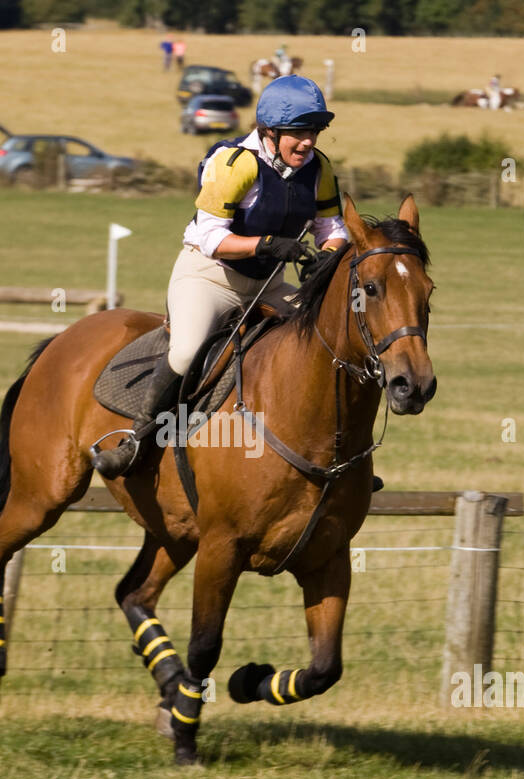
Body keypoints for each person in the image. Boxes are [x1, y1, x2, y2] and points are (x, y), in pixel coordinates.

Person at [92, 75, 349, 479]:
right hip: (209, 276)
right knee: (186, 350)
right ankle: (137, 440)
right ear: (269, 130)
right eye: (298, 133)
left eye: (313, 132)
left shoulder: (319, 169)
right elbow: (211, 236)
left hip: (269, 283)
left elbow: (332, 228)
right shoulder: (235, 163)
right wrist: (265, 245)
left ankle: (334, 453)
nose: (307, 143)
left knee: (329, 337)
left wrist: (328, 257)